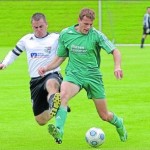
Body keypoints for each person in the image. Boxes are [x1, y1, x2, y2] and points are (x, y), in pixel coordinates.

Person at [38, 8, 127, 144]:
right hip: (74, 75)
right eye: (85, 24)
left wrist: (117, 66)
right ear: (79, 20)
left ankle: (119, 123)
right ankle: (59, 131)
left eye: (91, 24)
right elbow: (60, 57)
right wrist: (46, 67)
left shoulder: (96, 35)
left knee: (104, 115)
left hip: (93, 77)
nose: (88, 27)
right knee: (62, 97)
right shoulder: (66, 34)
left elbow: (115, 51)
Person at [0, 13, 70, 127]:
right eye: (35, 27)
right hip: (35, 81)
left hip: (51, 74)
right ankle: (59, 107)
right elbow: (14, 53)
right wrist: (4, 63)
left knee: (51, 83)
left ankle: (56, 102)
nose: (38, 30)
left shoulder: (56, 38)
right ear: (32, 27)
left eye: (41, 26)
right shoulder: (26, 39)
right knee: (41, 120)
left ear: (47, 25)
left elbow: (71, 41)